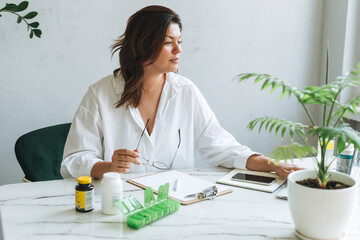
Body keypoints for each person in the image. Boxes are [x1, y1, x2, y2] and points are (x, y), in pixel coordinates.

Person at [60, 5, 302, 179]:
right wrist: (108, 166)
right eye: (168, 42)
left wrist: (273, 165)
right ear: (143, 44)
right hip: (120, 205)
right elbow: (73, 160)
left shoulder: (186, 91)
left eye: (179, 41)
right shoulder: (100, 94)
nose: (178, 49)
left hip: (174, 204)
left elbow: (221, 147)